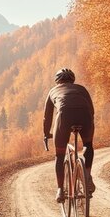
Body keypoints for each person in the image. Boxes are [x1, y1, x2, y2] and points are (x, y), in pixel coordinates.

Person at [43, 68, 96, 202]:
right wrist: (88, 125)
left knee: (60, 155)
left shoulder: (52, 91)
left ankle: (60, 190)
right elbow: (91, 109)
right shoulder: (81, 89)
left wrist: (46, 134)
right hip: (85, 116)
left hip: (64, 117)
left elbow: (47, 117)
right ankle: (88, 177)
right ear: (73, 80)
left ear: (57, 81)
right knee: (88, 145)